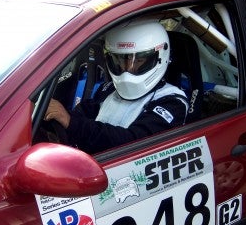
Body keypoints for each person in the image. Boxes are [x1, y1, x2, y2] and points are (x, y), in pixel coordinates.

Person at [45, 20, 188, 154]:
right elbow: (81, 114)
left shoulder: (173, 102)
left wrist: (71, 122)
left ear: (159, 57)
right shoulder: (109, 89)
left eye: (138, 60)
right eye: (119, 60)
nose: (126, 68)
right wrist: (59, 119)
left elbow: (132, 142)